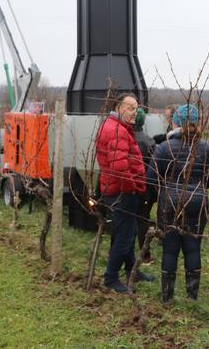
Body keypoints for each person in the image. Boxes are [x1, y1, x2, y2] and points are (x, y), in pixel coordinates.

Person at [147, 104, 209, 303]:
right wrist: (199, 187)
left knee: (170, 248)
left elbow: (152, 178)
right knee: (193, 246)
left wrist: (165, 190)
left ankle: (167, 297)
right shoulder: (207, 148)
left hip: (169, 201)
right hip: (198, 201)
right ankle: (192, 296)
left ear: (175, 122)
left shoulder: (164, 147)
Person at [95, 93, 153, 293]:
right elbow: (119, 168)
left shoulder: (116, 127)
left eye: (136, 109)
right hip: (121, 192)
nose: (134, 113)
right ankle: (110, 278)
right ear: (119, 107)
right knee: (124, 237)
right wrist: (133, 189)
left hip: (119, 190)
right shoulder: (116, 131)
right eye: (130, 108)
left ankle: (132, 271)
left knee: (128, 233)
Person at [133, 107, 157, 264]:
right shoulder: (149, 141)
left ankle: (113, 250)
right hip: (144, 187)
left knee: (121, 218)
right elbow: (153, 168)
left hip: (126, 184)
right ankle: (145, 255)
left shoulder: (123, 137)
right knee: (143, 220)